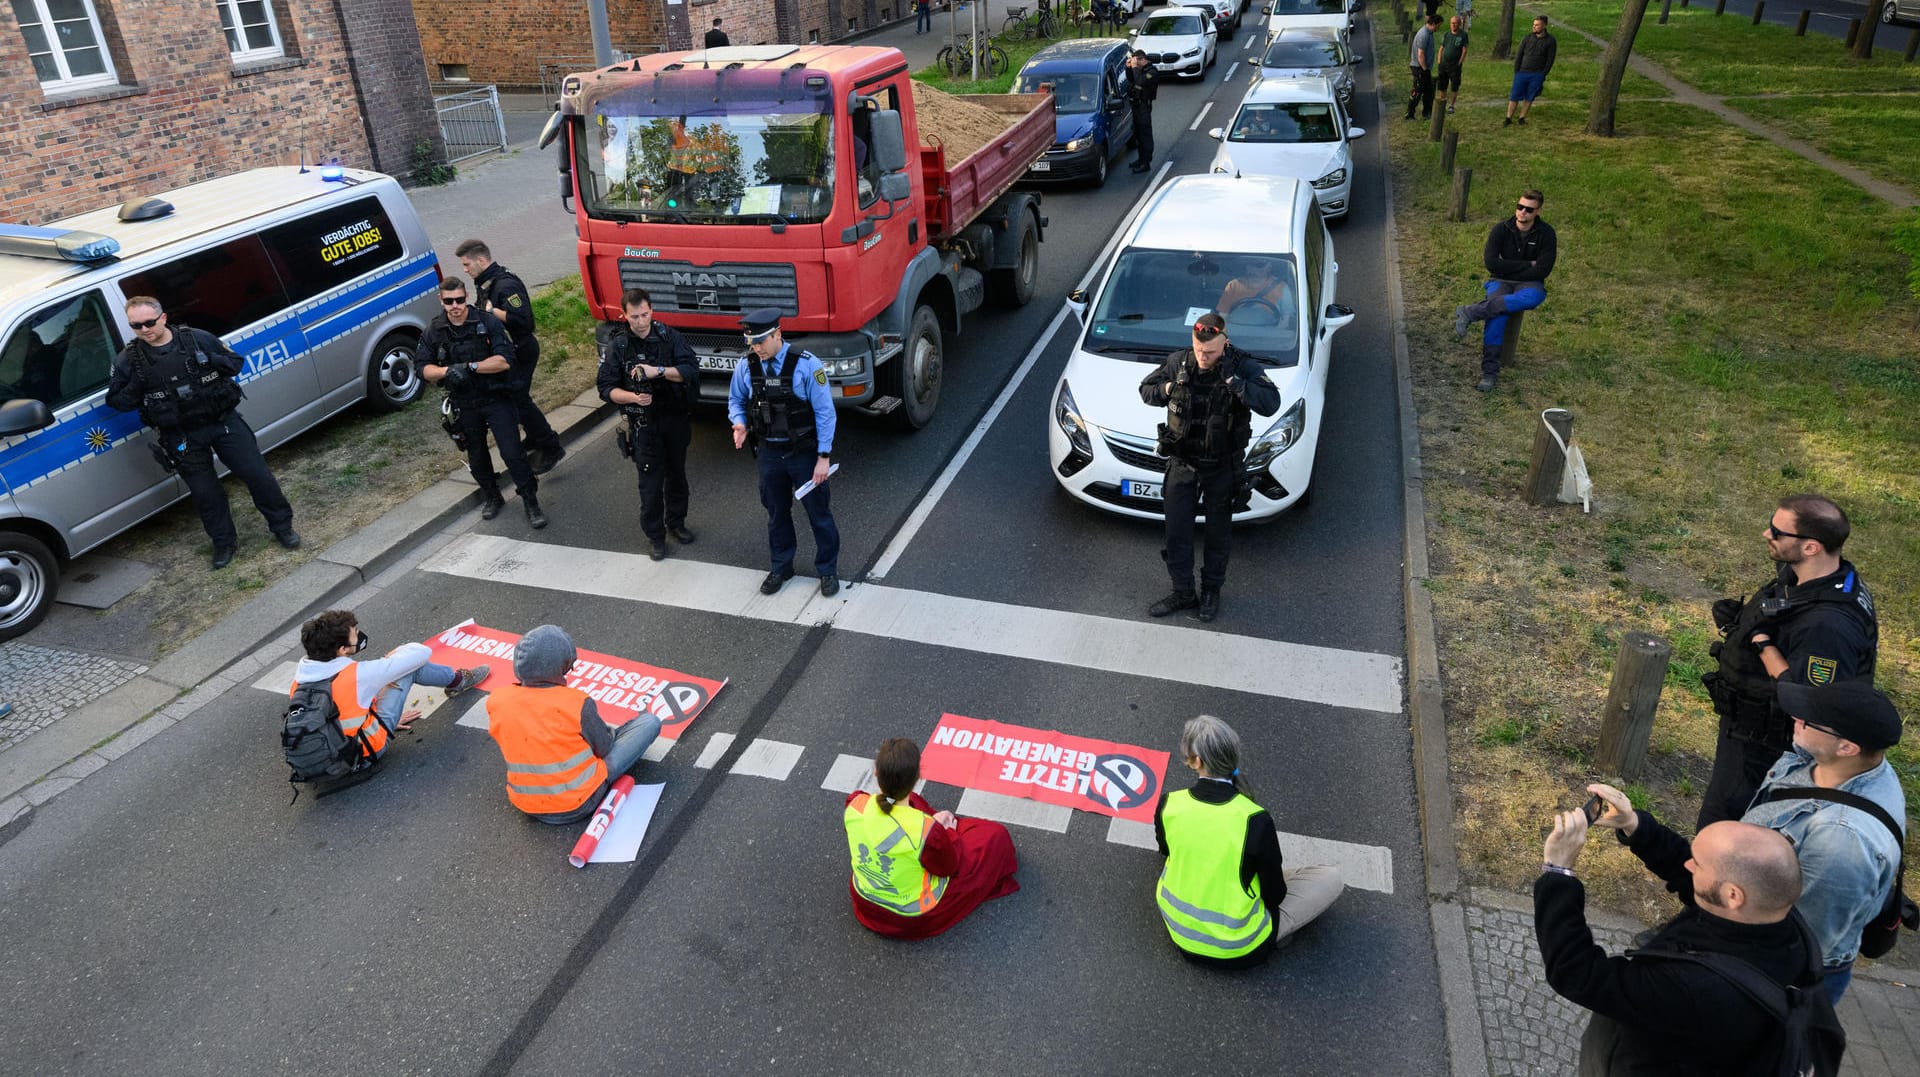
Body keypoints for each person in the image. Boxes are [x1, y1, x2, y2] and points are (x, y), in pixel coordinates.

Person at [1540, 788, 1839, 1073]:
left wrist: (1558, 871)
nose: (1687, 864)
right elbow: (1697, 880)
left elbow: (1577, 973)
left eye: (1697, 862)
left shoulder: (1696, 989)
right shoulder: (1778, 919)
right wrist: (1635, 825)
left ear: (1733, 895)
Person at [1697, 494, 1878, 830]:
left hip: (1765, 747)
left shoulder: (1829, 625)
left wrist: (1762, 643)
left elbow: (1809, 702)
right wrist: (1740, 623)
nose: (1767, 534)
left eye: (1777, 532)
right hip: (1747, 730)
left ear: (1810, 547)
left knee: (1721, 831)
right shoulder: (1809, 576)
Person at [105, 296, 299, 569]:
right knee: (206, 493)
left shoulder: (196, 339)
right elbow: (116, 402)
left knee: (257, 475)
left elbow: (236, 363)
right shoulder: (129, 360)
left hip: (222, 422)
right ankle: (224, 543)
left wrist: (209, 360)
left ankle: (282, 526)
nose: (144, 329)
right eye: (136, 326)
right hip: (181, 435)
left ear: (162, 318)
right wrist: (137, 384)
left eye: (149, 322)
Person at [1744, 680, 1906, 1005]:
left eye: (1809, 718)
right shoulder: (1832, 762)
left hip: (1778, 971)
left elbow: (1806, 936)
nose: (1796, 717)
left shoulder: (1842, 839)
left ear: (1847, 747)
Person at [1155, 716, 1343, 966]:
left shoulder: (1170, 803)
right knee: (1331, 877)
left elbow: (1165, 850)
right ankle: (1276, 935)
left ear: (1197, 761)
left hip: (1179, 930)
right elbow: (1274, 894)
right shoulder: (1254, 819)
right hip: (1239, 946)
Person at [1138, 313, 1280, 623]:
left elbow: (1271, 402)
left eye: (1212, 352)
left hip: (1221, 467)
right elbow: (1146, 390)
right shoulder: (1179, 362)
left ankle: (1211, 591)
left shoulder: (1241, 365)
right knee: (1176, 533)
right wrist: (1167, 389)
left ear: (1225, 343)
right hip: (1183, 464)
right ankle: (1183, 592)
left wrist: (1236, 384)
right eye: (1200, 350)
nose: (1204, 356)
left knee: (1218, 535)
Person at [843, 737, 1020, 939]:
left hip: (867, 902)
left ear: (876, 772)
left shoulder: (855, 804)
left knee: (916, 804)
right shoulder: (925, 832)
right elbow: (948, 868)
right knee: (994, 837)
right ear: (917, 778)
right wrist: (948, 832)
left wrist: (933, 826)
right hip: (911, 916)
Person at [484, 625, 662, 824]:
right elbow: (604, 748)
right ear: (560, 666)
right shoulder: (575, 703)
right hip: (580, 802)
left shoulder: (497, 700)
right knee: (649, 722)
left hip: (526, 804)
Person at [728, 308, 840, 597]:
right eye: (751, 343)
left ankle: (827, 570)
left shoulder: (806, 365)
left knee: (818, 513)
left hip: (803, 454)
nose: (756, 348)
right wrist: (738, 423)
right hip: (769, 454)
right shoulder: (747, 366)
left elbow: (825, 413)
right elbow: (736, 400)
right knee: (776, 513)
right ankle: (781, 566)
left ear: (778, 334)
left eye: (761, 342)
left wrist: (823, 457)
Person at [421, 277, 548, 528]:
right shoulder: (434, 331)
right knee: (476, 456)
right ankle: (492, 496)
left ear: (466, 296)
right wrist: (447, 372)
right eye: (449, 301)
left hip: (495, 397)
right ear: (441, 300)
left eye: (459, 299)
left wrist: (471, 367)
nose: (455, 305)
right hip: (464, 402)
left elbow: (505, 359)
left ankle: (530, 501)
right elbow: (422, 368)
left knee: (512, 452)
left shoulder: (486, 321)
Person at [293, 609, 489, 760]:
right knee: (410, 668)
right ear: (343, 649)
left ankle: (455, 681)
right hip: (363, 752)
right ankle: (458, 681)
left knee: (388, 677)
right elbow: (421, 653)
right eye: (355, 635)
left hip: (328, 753)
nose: (359, 636)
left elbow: (340, 710)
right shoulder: (358, 675)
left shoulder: (301, 679)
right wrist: (398, 653)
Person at [597, 288, 698, 561]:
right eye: (634, 317)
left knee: (676, 476)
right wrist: (633, 397)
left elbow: (690, 370)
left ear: (652, 310)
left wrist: (660, 372)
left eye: (644, 315)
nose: (641, 322)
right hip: (643, 424)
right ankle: (655, 537)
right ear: (624, 315)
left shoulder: (669, 337)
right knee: (650, 484)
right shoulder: (618, 346)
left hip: (674, 419)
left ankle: (676, 523)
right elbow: (605, 388)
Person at [456, 239, 565, 475]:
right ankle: (536, 437)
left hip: (521, 350)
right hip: (509, 350)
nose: (465, 270)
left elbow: (524, 321)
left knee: (518, 399)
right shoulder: (485, 282)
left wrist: (492, 312)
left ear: (482, 260)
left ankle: (550, 446)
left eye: (467, 264)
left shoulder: (505, 285)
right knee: (516, 399)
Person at [1450, 189, 1555, 392]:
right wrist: (1527, 265)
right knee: (1498, 315)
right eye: (1520, 207)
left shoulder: (1547, 234)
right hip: (1500, 280)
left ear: (1538, 211)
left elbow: (1544, 269)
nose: (1522, 212)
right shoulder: (1501, 229)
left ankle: (1470, 312)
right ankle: (1489, 373)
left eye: (1529, 209)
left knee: (1532, 297)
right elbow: (1491, 263)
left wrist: (1508, 265)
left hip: (1531, 284)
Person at [1505, 16, 1557, 126]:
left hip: (1537, 74)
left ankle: (1522, 117)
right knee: (1514, 95)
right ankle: (1508, 117)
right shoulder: (1527, 38)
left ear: (1544, 25)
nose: (1534, 27)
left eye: (1537, 25)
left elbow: (1550, 59)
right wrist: (1517, 70)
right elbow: (1519, 54)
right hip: (1522, 72)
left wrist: (1543, 73)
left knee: (1529, 96)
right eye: (1534, 24)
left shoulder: (1551, 41)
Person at [1217, 259, 1291, 318]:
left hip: (1269, 333)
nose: (1253, 269)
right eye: (1250, 264)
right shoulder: (1233, 285)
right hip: (1237, 332)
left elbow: (1286, 321)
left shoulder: (1282, 287)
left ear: (1269, 267)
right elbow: (1223, 317)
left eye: (1259, 265)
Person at [1126, 49, 1158, 173]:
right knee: (1138, 134)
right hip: (1136, 104)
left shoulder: (1152, 72)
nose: (1136, 65)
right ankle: (1140, 159)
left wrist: (1134, 68)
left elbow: (1140, 81)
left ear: (1142, 59)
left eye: (1137, 61)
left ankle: (1146, 163)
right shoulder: (1140, 70)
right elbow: (1132, 80)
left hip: (1144, 106)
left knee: (1145, 134)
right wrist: (1129, 68)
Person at [1406, 14, 1441, 121]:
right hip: (1420, 68)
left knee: (1428, 91)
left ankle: (1427, 112)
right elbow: (1420, 54)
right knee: (1417, 91)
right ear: (1433, 24)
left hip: (1424, 68)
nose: (1438, 28)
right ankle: (1409, 114)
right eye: (1438, 25)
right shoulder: (1424, 35)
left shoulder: (1429, 33)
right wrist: (1425, 69)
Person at [1436, 15, 1470, 115]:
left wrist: (1459, 63)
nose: (1453, 25)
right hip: (1444, 64)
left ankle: (1451, 105)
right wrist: (1439, 61)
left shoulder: (1463, 35)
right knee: (1442, 85)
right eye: (1452, 23)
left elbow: (1464, 50)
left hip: (1455, 65)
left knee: (1454, 85)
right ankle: (1442, 103)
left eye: (1455, 23)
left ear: (1459, 24)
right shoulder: (1447, 35)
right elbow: (1441, 48)